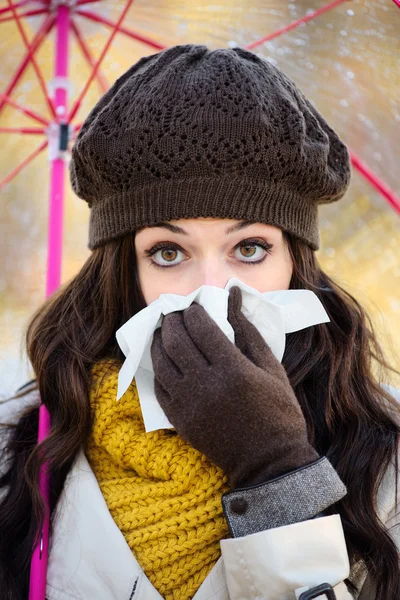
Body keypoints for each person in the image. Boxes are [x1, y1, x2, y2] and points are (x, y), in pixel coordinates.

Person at [0, 44, 399, 600]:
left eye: (251, 248)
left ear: (296, 263)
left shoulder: (386, 465)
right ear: (124, 271)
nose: (212, 291)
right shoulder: (26, 448)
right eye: (168, 252)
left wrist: (276, 470)